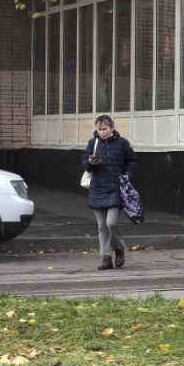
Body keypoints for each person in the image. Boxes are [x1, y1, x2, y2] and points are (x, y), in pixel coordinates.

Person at [82, 114, 137, 270]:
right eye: (99, 129)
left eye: (105, 129)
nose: (102, 132)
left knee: (111, 223)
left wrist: (127, 176)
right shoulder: (93, 143)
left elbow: (132, 161)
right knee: (102, 226)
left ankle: (119, 249)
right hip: (97, 189)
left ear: (112, 128)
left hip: (116, 188)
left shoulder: (122, 143)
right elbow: (85, 164)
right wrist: (90, 163)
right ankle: (106, 257)